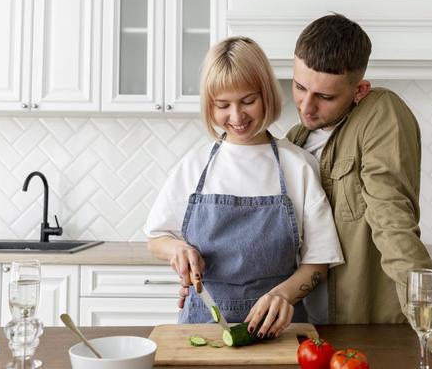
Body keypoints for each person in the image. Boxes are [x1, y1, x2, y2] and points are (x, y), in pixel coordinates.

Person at [285, 14, 432, 369]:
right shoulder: (295, 138)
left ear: (360, 90)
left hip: (365, 330)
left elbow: (392, 223)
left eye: (324, 96)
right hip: (307, 333)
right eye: (299, 87)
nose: (307, 107)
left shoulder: (380, 113)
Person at [144, 36, 344, 338]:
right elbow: (156, 237)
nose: (237, 117)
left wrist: (285, 295)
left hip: (282, 331)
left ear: (267, 95)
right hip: (201, 327)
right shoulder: (194, 165)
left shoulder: (298, 166)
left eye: (248, 101)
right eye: (222, 105)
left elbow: (318, 262)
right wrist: (177, 248)